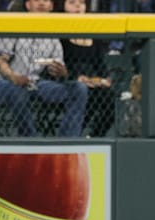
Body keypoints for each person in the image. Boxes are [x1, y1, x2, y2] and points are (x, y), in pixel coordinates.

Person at [0, 0, 88, 136]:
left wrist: (61, 72)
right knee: (18, 91)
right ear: (28, 5)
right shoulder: (11, 24)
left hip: (34, 84)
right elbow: (0, 63)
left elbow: (57, 69)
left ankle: (66, 143)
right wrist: (14, 77)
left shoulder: (53, 34)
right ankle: (30, 141)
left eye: (46, 0)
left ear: (51, 6)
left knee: (78, 89)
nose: (42, 3)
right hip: (1, 84)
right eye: (37, 0)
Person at [58, 0, 115, 137]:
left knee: (108, 97)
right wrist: (76, 77)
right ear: (63, 7)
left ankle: (95, 136)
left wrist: (103, 79)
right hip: (69, 80)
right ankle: (74, 135)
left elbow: (100, 65)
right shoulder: (59, 35)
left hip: (92, 82)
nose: (78, 6)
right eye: (72, 3)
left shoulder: (94, 37)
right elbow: (58, 64)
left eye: (81, 3)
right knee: (81, 91)